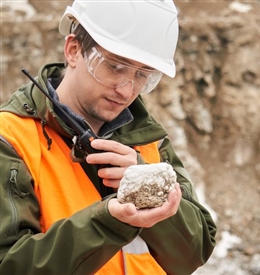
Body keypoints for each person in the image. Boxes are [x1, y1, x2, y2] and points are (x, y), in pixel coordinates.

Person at [0, 1, 216, 274]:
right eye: (114, 67)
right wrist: (108, 222)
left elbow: (194, 253)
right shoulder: (10, 141)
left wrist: (149, 189)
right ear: (74, 50)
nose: (126, 91)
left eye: (142, 75)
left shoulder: (148, 142)